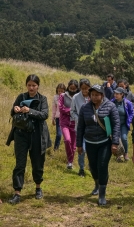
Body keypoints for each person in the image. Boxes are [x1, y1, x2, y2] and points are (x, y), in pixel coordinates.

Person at [6, 74, 51, 204]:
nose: (31, 88)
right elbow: (12, 112)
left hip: (37, 135)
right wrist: (15, 109)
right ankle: (17, 192)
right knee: (20, 163)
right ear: (26, 85)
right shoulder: (21, 96)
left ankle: (38, 187)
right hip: (20, 134)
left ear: (38, 86)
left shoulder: (42, 99)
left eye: (34, 85)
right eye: (29, 85)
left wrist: (29, 110)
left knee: (37, 163)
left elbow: (44, 114)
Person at [76, 84, 120, 206]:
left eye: (97, 95)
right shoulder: (85, 108)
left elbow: (116, 125)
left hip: (104, 142)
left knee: (102, 166)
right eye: (92, 95)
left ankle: (102, 194)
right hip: (90, 143)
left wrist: (115, 143)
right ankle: (96, 183)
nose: (94, 97)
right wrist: (79, 144)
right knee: (93, 167)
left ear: (102, 95)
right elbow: (80, 127)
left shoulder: (111, 106)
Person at [71, 78, 91, 177]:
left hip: (92, 128)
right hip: (80, 127)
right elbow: (72, 111)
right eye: (82, 88)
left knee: (91, 149)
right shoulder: (75, 97)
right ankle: (81, 168)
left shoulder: (93, 96)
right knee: (81, 149)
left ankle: (92, 166)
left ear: (89, 88)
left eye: (86, 88)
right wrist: (78, 119)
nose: (84, 91)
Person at [59, 79, 79, 169]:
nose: (72, 90)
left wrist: (68, 110)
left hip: (75, 123)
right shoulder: (63, 96)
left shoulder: (79, 97)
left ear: (77, 88)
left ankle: (70, 162)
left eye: (74, 88)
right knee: (67, 140)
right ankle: (70, 159)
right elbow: (61, 108)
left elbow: (80, 109)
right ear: (68, 87)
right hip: (64, 122)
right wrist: (71, 111)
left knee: (73, 144)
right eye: (71, 88)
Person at [111, 87, 134, 161]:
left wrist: (129, 120)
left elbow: (131, 113)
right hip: (114, 125)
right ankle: (118, 155)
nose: (115, 95)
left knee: (124, 138)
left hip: (124, 124)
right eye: (115, 93)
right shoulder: (112, 102)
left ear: (122, 94)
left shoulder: (127, 103)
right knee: (116, 139)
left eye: (117, 94)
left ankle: (126, 154)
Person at [52, 83, 66, 150]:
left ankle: (67, 149)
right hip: (58, 118)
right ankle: (55, 149)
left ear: (64, 91)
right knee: (59, 134)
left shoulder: (67, 97)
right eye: (59, 91)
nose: (60, 92)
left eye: (61, 91)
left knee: (66, 136)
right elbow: (54, 109)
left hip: (66, 118)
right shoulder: (55, 97)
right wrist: (53, 118)